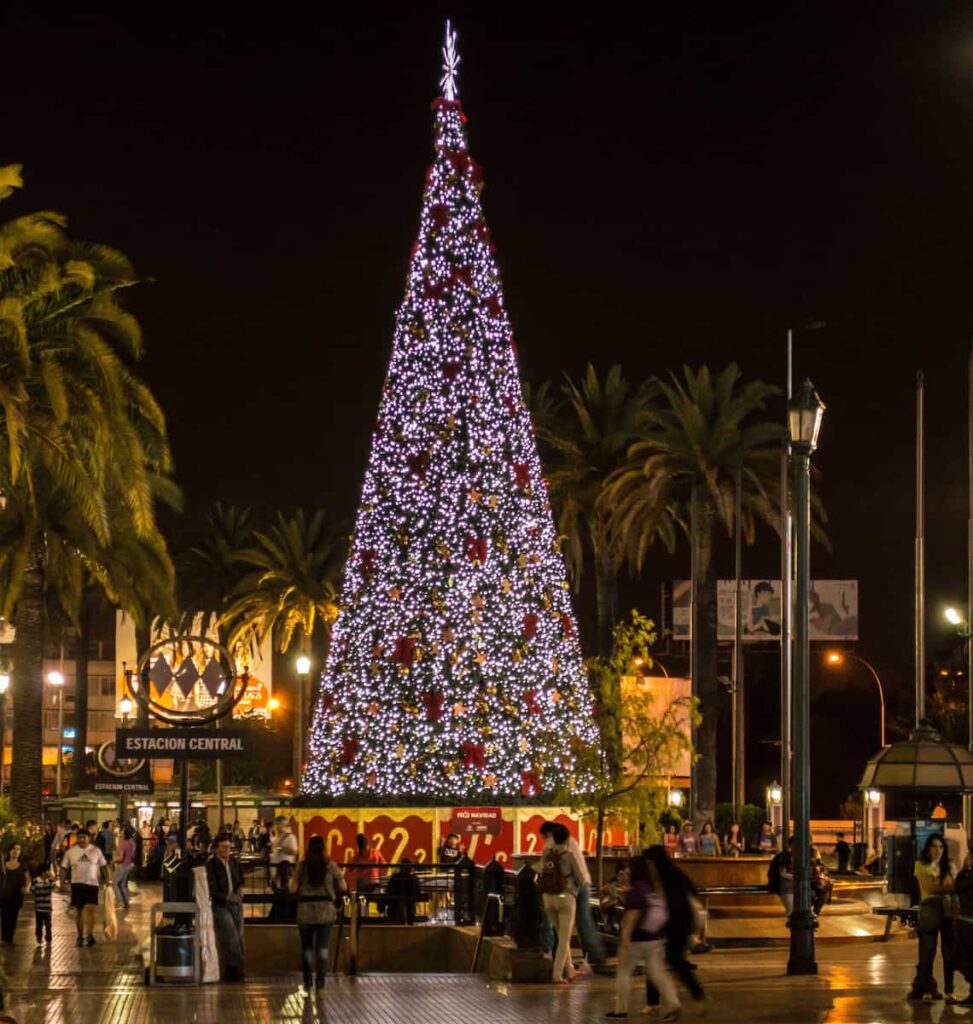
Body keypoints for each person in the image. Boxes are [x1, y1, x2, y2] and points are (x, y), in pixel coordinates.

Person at [606, 855, 679, 1022]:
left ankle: (620, 1010)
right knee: (657, 973)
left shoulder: (636, 889)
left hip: (637, 939)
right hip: (656, 938)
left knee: (624, 973)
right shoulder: (651, 888)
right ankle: (674, 1005)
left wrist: (625, 937)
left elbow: (633, 914)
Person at [643, 845, 708, 1013]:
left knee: (663, 961)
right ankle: (696, 995)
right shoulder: (675, 873)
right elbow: (692, 892)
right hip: (679, 924)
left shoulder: (662, 877)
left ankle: (655, 1002)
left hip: (671, 924)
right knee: (668, 962)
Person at [539, 819, 606, 970]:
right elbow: (580, 876)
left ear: (549, 833)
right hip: (576, 887)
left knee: (563, 932)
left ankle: (559, 965)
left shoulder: (551, 846)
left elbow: (543, 868)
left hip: (563, 891)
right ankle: (590, 958)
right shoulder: (571, 842)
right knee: (582, 922)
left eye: (544, 836)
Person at [290, 833, 347, 993]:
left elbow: (292, 888)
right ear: (324, 848)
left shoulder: (302, 866)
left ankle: (308, 982)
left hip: (305, 911)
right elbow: (343, 887)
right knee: (323, 948)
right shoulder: (331, 866)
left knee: (307, 948)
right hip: (325, 911)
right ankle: (320, 984)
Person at [909, 833, 957, 1002]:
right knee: (927, 952)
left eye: (941, 846)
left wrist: (941, 885)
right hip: (929, 910)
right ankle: (927, 989)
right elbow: (929, 887)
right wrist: (947, 886)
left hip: (948, 910)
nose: (938, 850)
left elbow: (954, 885)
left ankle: (949, 990)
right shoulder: (920, 865)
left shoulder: (949, 865)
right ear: (928, 849)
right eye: (934, 846)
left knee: (949, 953)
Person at [535, 822, 583, 983]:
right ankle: (557, 975)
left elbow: (540, 871)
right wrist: (575, 890)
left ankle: (570, 970)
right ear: (567, 838)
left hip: (548, 898)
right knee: (564, 938)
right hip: (565, 898)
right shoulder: (568, 855)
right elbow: (581, 879)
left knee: (560, 935)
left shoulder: (547, 853)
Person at [206, 833, 245, 982]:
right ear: (216, 849)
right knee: (231, 937)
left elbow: (240, 877)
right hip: (221, 905)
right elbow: (212, 887)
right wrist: (227, 896)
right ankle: (236, 970)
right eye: (223, 847)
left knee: (237, 938)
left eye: (229, 847)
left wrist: (240, 887)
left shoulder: (233, 862)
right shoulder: (212, 865)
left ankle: (233, 971)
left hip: (235, 904)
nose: (226, 850)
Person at [61, 829, 108, 947]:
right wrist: (61, 882)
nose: (82, 840)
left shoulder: (96, 851)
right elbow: (64, 867)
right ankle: (80, 936)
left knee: (90, 909)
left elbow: (104, 866)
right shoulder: (71, 852)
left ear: (89, 838)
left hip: (92, 884)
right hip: (77, 884)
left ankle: (90, 934)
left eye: (84, 837)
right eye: (80, 837)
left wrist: (109, 881)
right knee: (79, 911)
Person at [952, 837, 973, 1007]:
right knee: (961, 958)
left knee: (964, 958)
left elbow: (960, 886)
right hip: (965, 920)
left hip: (969, 922)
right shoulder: (968, 871)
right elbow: (957, 886)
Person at [0, 842, 31, 943]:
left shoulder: (22, 865)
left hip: (16, 895)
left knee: (13, 917)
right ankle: (4, 937)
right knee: (4, 916)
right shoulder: (3, 864)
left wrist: (27, 887)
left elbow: (27, 879)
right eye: (14, 849)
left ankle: (10, 937)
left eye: (18, 849)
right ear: (9, 851)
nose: (16, 852)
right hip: (4, 895)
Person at [386, 859, 422, 925]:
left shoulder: (395, 877)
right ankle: (409, 923)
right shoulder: (414, 879)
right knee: (409, 903)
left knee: (399, 903)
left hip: (396, 907)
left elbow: (388, 890)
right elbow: (418, 892)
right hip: (410, 908)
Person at [768, 836, 795, 915]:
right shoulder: (785, 856)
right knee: (791, 911)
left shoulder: (804, 857)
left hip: (798, 886)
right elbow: (782, 874)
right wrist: (796, 877)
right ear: (791, 845)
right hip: (786, 885)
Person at [270, 816, 298, 888]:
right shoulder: (278, 837)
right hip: (276, 872)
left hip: (285, 872)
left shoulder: (290, 837)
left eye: (277, 825)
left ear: (282, 825)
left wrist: (282, 849)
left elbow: (294, 852)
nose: (276, 827)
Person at [30, 862, 55, 944]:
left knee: (48, 924)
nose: (48, 872)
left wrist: (52, 879)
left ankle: (48, 938)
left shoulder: (50, 881)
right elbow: (33, 891)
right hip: (39, 908)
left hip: (47, 908)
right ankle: (39, 937)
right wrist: (43, 888)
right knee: (39, 924)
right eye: (47, 871)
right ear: (42, 872)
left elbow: (53, 887)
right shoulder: (36, 880)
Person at [112, 827, 136, 910]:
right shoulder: (130, 843)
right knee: (122, 885)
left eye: (122, 831)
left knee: (115, 883)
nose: (121, 832)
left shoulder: (123, 844)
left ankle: (120, 901)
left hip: (122, 866)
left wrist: (114, 861)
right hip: (128, 865)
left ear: (125, 834)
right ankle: (126, 903)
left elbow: (121, 858)